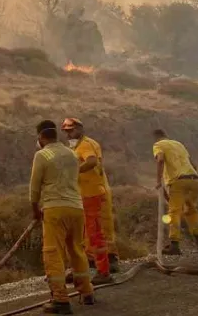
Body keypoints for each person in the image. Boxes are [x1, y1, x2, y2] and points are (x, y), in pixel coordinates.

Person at [29, 119, 94, 314]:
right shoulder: (72, 154)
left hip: (54, 209)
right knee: (77, 250)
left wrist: (35, 210)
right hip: (76, 208)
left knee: (53, 253)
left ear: (41, 137)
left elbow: (34, 187)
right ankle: (87, 292)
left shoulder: (42, 155)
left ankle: (60, 299)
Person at [61, 117, 114, 284]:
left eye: (71, 131)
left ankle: (103, 272)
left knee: (94, 234)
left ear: (80, 129)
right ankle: (81, 269)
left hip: (92, 195)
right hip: (83, 196)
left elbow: (91, 161)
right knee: (82, 235)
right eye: (66, 132)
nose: (69, 134)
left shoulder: (86, 144)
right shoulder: (78, 146)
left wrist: (74, 172)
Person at [152, 128, 198, 255]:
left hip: (178, 181)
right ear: (167, 135)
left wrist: (158, 181)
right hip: (193, 179)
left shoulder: (158, 145)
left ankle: (174, 244)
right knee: (192, 210)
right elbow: (193, 165)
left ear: (156, 138)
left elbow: (160, 160)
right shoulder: (179, 144)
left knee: (174, 212)